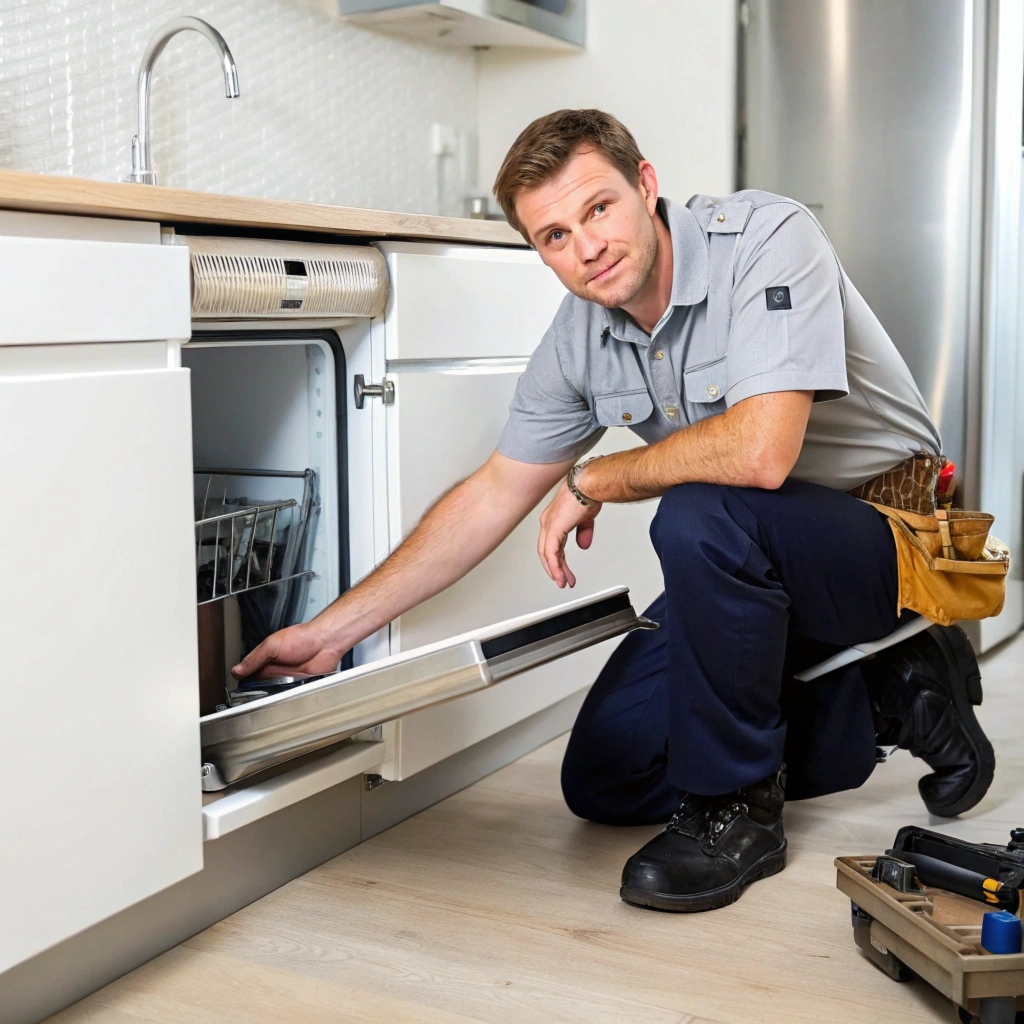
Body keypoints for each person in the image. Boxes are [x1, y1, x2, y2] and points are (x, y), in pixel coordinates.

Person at [233, 109, 995, 913]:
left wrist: (597, 479)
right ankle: (893, 691)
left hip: (896, 539)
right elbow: (495, 491)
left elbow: (762, 452)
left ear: (647, 186)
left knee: (701, 512)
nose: (586, 247)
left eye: (597, 209)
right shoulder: (583, 336)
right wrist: (327, 633)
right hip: (759, 562)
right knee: (607, 772)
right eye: (554, 236)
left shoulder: (769, 238)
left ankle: (736, 815)